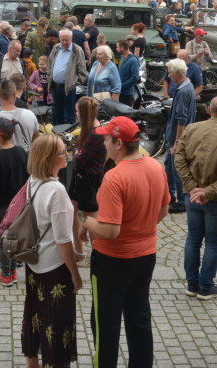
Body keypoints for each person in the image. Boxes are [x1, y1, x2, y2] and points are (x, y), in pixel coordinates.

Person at [79, 116, 170, 368]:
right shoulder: (155, 167)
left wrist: (85, 221)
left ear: (119, 143)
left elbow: (109, 230)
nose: (104, 144)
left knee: (105, 324)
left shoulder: (114, 177)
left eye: (107, 139)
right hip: (145, 256)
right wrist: (142, 227)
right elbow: (163, 210)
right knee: (139, 319)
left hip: (113, 261)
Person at [18, 133, 83, 368]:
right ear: (48, 158)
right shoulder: (56, 190)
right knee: (56, 327)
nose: (67, 154)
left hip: (35, 265)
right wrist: (75, 274)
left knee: (36, 319)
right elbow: (63, 239)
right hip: (55, 269)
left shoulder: (32, 182)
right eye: (62, 152)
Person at [174, 96, 217, 299]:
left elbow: (179, 159)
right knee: (213, 241)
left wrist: (193, 188)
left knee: (193, 238)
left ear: (208, 110)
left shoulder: (191, 129)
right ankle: (205, 286)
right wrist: (209, 191)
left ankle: (192, 284)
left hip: (193, 197)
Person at [0, 116, 30, 285]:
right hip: (20, 203)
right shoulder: (21, 152)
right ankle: (13, 270)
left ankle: (6, 274)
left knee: (3, 239)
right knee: (15, 237)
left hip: (2, 206)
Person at [67, 97, 106, 258]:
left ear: (83, 113)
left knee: (90, 217)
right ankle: (79, 250)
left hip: (89, 180)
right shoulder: (89, 130)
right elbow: (76, 149)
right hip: (80, 178)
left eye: (77, 111)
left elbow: (79, 158)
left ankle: (96, 255)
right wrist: (77, 152)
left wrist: (77, 154)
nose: (75, 114)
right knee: (71, 211)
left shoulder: (96, 134)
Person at [164, 57, 198, 212]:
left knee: (177, 169)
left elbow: (181, 119)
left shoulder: (183, 90)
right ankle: (169, 194)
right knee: (169, 166)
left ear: (178, 73)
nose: (169, 77)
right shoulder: (186, 86)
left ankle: (182, 201)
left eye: (170, 73)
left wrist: (177, 143)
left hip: (177, 139)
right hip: (174, 137)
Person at [50, 29, 88, 126]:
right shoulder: (56, 48)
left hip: (69, 88)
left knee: (69, 114)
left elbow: (83, 72)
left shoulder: (77, 50)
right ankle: (58, 135)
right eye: (62, 40)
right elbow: (50, 64)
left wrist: (72, 83)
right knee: (58, 113)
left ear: (71, 39)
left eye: (67, 40)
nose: (64, 42)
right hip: (56, 87)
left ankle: (69, 136)